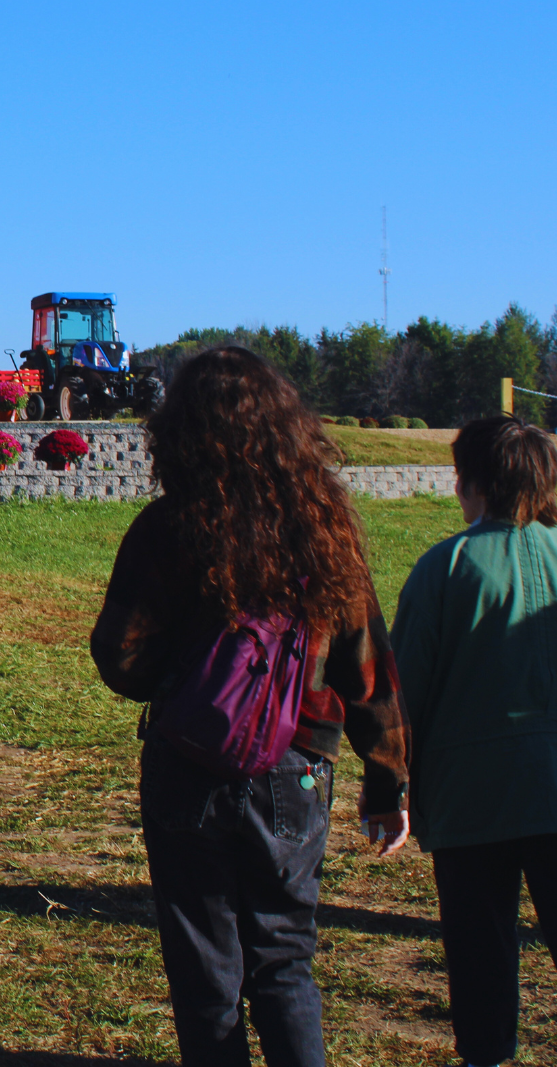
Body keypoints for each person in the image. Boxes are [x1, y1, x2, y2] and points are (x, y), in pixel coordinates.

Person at [91, 346, 411, 1067]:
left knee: (205, 968)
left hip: (187, 765)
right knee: (285, 960)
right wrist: (388, 783)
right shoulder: (326, 529)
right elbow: (368, 668)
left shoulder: (167, 528)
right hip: (298, 769)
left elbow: (121, 657)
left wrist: (191, 682)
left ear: (179, 430)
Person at [391, 415, 557, 1067]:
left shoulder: (444, 567)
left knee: (479, 948)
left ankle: (487, 1054)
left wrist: (399, 780)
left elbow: (404, 697)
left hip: (474, 801)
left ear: (473, 480)